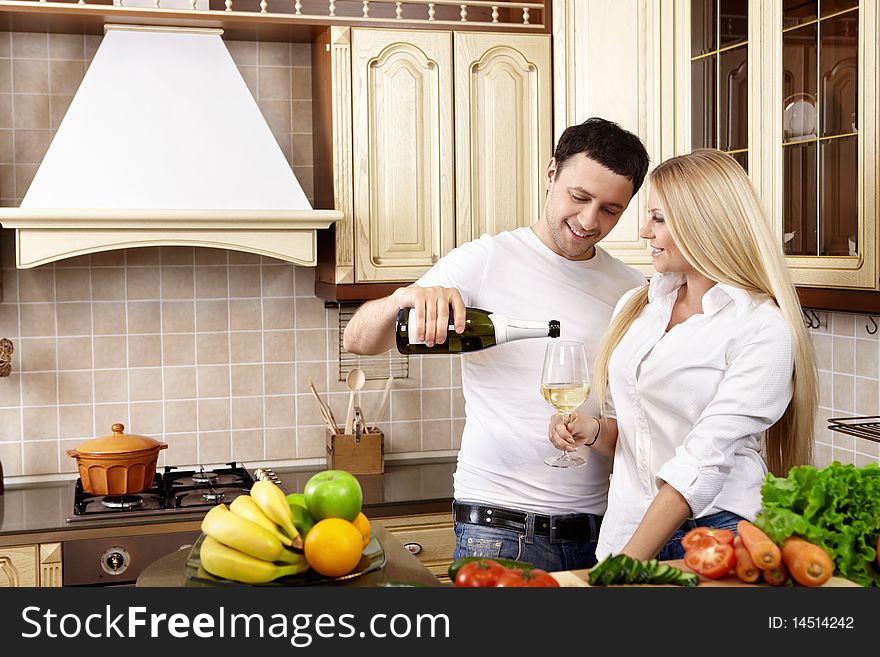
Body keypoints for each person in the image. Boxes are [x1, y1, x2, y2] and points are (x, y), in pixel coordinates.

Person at [343, 118, 650, 572]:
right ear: (551, 174)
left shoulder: (630, 287)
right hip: (499, 529)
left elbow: (636, 413)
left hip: (600, 530)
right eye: (579, 197)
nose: (589, 221)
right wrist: (402, 299)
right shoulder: (486, 260)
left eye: (610, 210)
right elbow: (358, 341)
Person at [548, 149, 818, 562]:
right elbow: (645, 435)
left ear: (701, 225)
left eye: (657, 218)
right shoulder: (637, 308)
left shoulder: (762, 328)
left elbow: (703, 460)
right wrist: (595, 431)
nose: (643, 230)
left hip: (718, 536)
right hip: (627, 528)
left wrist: (627, 565)